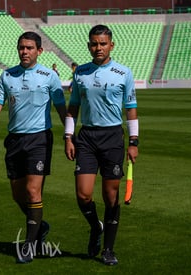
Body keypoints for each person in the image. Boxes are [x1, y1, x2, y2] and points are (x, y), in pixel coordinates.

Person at [0, 31, 67, 264]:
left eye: (29, 48)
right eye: (21, 47)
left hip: (39, 139)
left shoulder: (49, 76)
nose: (24, 52)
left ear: (39, 51)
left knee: (32, 191)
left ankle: (29, 245)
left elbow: (60, 106)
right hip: (15, 140)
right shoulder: (8, 75)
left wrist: (69, 133)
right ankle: (40, 226)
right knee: (17, 194)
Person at [64, 24, 139, 266]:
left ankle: (108, 248)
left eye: (103, 43)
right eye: (94, 43)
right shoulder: (81, 72)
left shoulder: (123, 72)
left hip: (112, 138)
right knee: (83, 194)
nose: (98, 48)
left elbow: (131, 109)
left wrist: (134, 142)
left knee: (110, 196)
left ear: (111, 45)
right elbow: (73, 106)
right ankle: (96, 226)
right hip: (86, 138)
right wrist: (68, 136)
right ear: (89, 45)